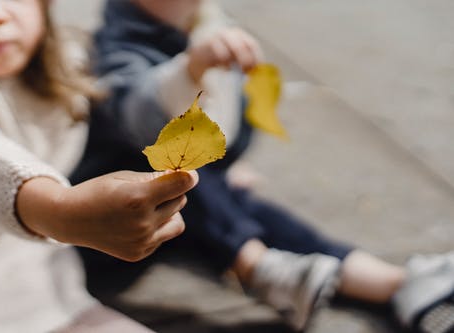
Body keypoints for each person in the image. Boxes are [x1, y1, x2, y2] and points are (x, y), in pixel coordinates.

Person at [71, 0, 454, 332]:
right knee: (178, 172)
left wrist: (226, 166)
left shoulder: (205, 22)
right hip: (98, 232)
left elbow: (228, 126)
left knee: (237, 203)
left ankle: (394, 283)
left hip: (176, 209)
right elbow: (139, 113)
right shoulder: (117, 44)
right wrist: (191, 70)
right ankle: (257, 266)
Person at [0, 0, 199, 332]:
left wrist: (195, 73)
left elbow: (125, 105)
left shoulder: (70, 58)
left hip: (55, 293)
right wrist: (60, 210)